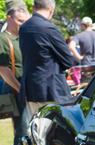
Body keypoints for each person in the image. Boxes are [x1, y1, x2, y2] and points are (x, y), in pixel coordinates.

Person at [19, 0, 74, 135]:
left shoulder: (23, 28)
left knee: (38, 134)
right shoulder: (49, 28)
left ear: (33, 8)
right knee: (58, 134)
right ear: (51, 10)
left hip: (31, 88)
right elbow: (68, 59)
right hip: (52, 88)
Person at [0, 1, 32, 145]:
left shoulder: (24, 38)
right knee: (22, 128)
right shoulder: (3, 39)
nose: (23, 24)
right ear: (9, 18)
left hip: (25, 88)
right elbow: (3, 71)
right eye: (19, 21)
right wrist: (21, 89)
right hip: (15, 89)